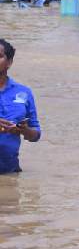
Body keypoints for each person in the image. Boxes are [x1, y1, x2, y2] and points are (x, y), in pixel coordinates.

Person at [0, 39, 40, 173]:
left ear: (9, 62)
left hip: (10, 171)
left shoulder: (23, 92)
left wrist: (24, 130)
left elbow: (36, 135)